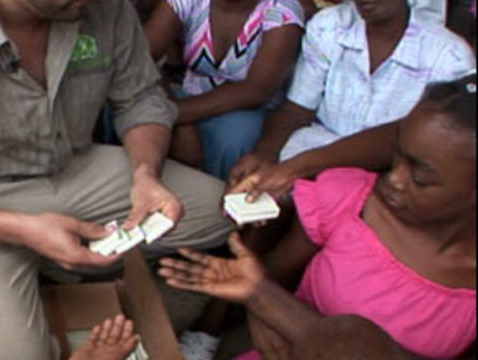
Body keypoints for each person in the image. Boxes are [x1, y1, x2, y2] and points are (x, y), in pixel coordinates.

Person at [0, 0, 234, 359]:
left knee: (224, 214)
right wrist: (24, 230)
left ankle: (52, 267)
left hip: (73, 170)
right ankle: (33, 268)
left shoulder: (103, 6)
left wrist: (145, 175)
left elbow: (141, 97)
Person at [159, 75, 477, 359]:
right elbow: (272, 277)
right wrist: (260, 307)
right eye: (395, 155)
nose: (393, 178)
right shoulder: (353, 201)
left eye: (420, 178)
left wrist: (277, 310)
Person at [227, 0, 475, 198]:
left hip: (382, 172)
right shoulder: (329, 26)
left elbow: (401, 137)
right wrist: (263, 155)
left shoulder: (448, 56)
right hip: (310, 154)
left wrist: (293, 169)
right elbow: (297, 108)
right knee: (258, 205)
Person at [143, 0, 304, 179]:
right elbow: (141, 58)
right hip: (187, 97)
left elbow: (256, 91)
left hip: (246, 108)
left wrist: (173, 114)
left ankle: (222, 200)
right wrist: (183, 125)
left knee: (236, 137)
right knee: (130, 108)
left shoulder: (281, 11)